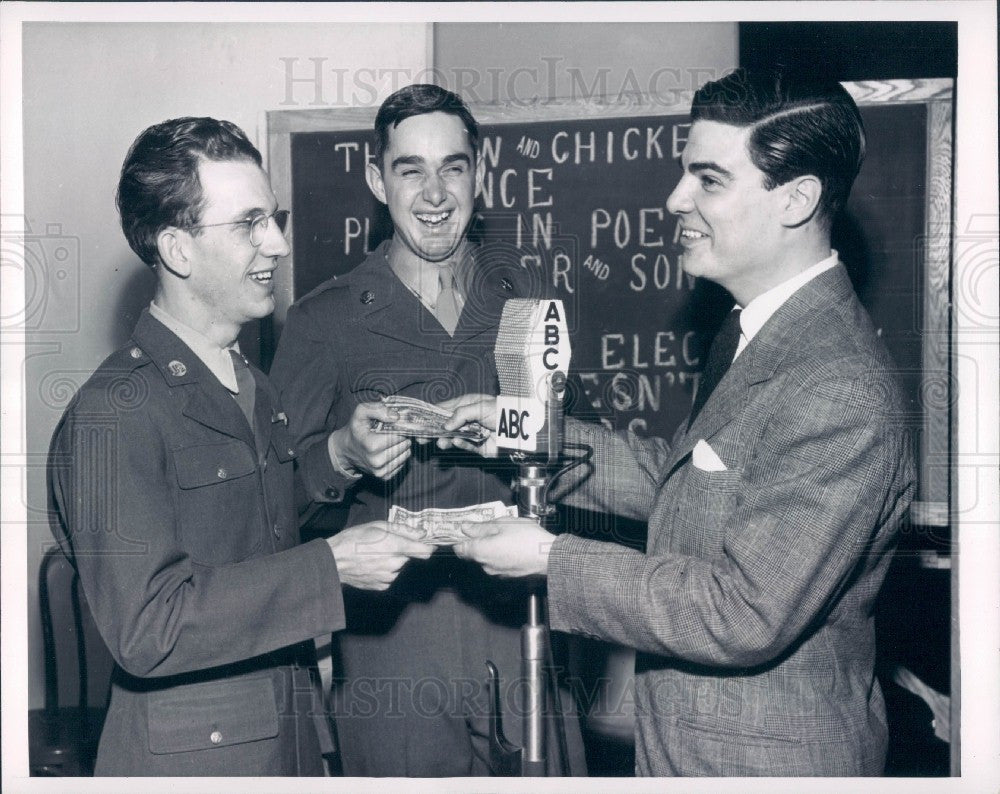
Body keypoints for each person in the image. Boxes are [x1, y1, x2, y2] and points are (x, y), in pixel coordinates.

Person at [441, 69, 917, 776]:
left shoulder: (840, 388)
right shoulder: (757, 330)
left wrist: (548, 559)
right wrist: (524, 431)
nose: (674, 199)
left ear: (797, 199)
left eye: (709, 180)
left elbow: (742, 611)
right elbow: (689, 482)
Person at [47, 117, 433, 776]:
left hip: (290, 739)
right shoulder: (114, 414)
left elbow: (256, 525)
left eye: (274, 218)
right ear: (177, 248)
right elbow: (148, 629)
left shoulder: (246, 380)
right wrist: (330, 568)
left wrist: (338, 454)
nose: (278, 244)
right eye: (249, 224)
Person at [269, 84, 586, 776]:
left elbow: (579, 460)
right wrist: (341, 455)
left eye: (454, 167)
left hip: (522, 626)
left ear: (483, 172)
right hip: (394, 653)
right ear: (376, 179)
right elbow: (272, 509)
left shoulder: (527, 302)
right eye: (410, 169)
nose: (435, 193)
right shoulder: (323, 321)